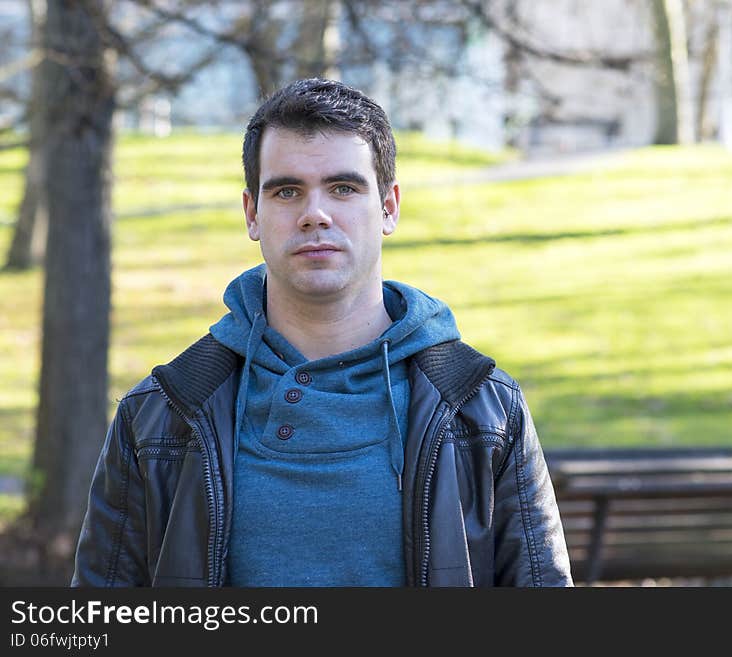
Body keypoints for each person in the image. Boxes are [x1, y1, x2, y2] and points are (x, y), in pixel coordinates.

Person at [71, 78, 572, 587]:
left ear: (389, 207)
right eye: (287, 191)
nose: (315, 214)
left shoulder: (485, 409)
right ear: (252, 214)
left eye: (344, 188)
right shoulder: (160, 415)